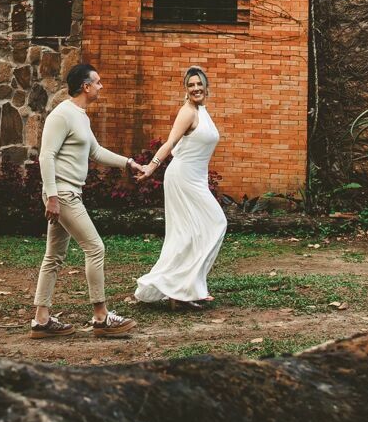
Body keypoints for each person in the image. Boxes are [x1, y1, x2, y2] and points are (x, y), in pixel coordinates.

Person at [30, 62, 145, 338]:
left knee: (54, 256)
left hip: (68, 192)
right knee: (95, 248)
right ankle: (101, 317)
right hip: (63, 194)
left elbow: (96, 151)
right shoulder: (62, 115)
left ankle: (41, 320)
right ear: (85, 86)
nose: (101, 86)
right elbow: (46, 156)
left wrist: (128, 163)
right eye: (98, 82)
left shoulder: (81, 116)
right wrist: (52, 196)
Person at [132, 64, 227, 309]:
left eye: (199, 84)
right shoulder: (187, 112)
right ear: (186, 89)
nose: (195, 88)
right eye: (190, 85)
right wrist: (151, 167)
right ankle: (181, 288)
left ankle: (183, 291)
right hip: (182, 177)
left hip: (196, 178)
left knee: (194, 232)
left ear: (206, 86)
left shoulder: (202, 111)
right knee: (211, 224)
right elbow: (170, 143)